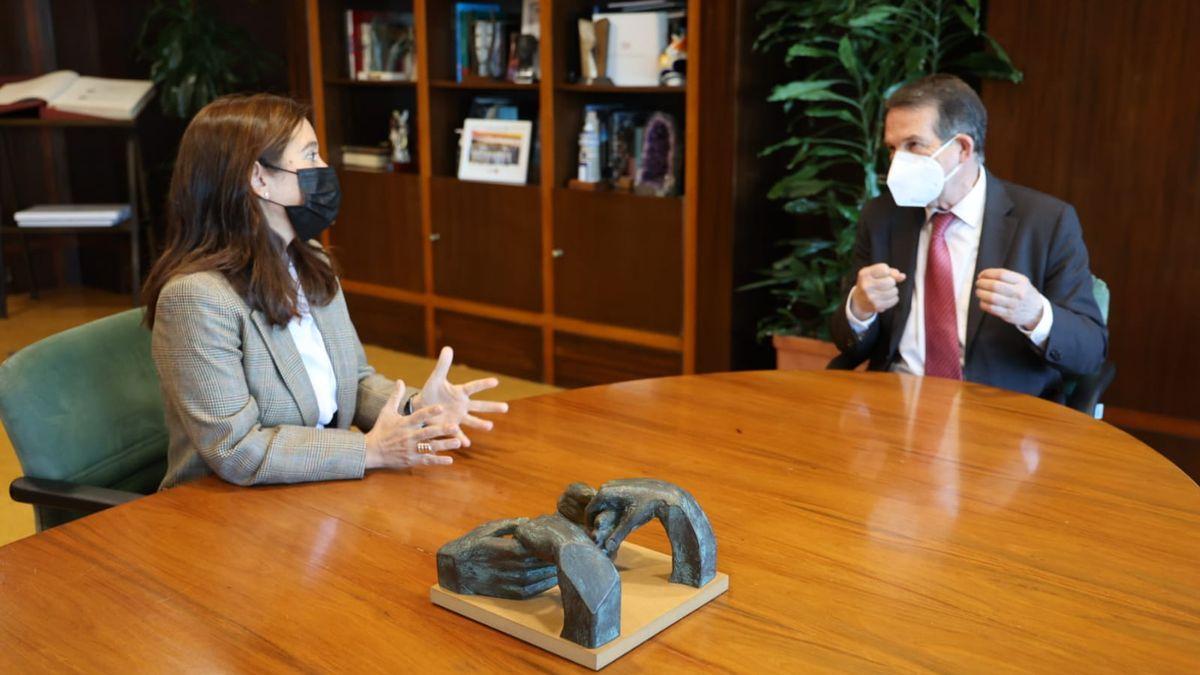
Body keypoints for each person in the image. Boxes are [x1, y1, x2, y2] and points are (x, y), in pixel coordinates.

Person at [143, 93, 507, 488]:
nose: (325, 168)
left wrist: (418, 408)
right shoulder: (196, 299)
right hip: (220, 509)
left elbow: (353, 380)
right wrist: (369, 451)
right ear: (259, 178)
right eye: (311, 155)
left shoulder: (311, 260)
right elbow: (237, 451)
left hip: (312, 490)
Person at [829, 74, 1107, 401]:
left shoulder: (1047, 223)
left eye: (913, 145)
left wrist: (1036, 313)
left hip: (998, 413)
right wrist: (859, 308)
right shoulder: (882, 216)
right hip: (896, 402)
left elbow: (1090, 351)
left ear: (962, 148)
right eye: (892, 149)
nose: (895, 164)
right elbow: (844, 338)